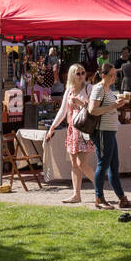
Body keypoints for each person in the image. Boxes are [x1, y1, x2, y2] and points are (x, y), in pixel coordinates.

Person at [46, 64, 100, 203]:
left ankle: (98, 189)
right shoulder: (69, 91)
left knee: (82, 163)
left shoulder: (89, 88)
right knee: (74, 165)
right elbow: (62, 111)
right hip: (72, 129)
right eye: (78, 73)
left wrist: (81, 103)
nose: (82, 75)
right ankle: (76, 194)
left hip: (85, 130)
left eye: (83, 72)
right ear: (72, 75)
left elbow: (95, 109)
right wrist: (52, 127)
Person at [88, 62, 131, 209]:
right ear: (103, 75)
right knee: (103, 164)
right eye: (111, 75)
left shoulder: (108, 89)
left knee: (113, 166)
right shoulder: (99, 88)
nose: (114, 77)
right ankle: (99, 198)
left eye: (115, 75)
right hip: (102, 131)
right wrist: (114, 106)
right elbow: (92, 110)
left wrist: (117, 105)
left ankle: (121, 197)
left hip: (110, 131)